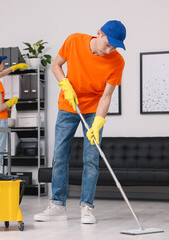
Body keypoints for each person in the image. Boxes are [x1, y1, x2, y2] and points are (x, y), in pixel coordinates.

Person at [34, 20, 126, 224]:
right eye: (108, 44)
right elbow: (56, 65)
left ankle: (87, 207)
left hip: (94, 109)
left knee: (91, 157)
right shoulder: (74, 40)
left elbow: (106, 96)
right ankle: (57, 205)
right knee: (59, 154)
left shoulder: (117, 62)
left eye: (114, 46)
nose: (109, 50)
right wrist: (64, 83)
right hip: (69, 104)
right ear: (99, 33)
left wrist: (98, 122)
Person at [0, 53, 29, 173]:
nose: (4, 65)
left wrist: (15, 67)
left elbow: (1, 74)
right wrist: (11, 102)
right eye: (2, 63)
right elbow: (0, 107)